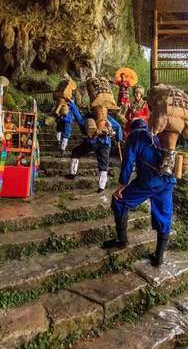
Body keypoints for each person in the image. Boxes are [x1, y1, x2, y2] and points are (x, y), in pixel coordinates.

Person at [102, 118, 175, 266]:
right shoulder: (160, 135)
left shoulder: (135, 136)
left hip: (148, 182)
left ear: (130, 129)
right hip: (167, 182)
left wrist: (123, 184)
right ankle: (159, 256)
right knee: (164, 215)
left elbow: (128, 161)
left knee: (119, 201)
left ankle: (121, 240)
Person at [65, 100, 123, 193]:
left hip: (92, 142)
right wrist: (119, 139)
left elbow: (80, 121)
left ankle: (72, 173)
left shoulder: (89, 116)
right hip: (105, 143)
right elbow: (118, 126)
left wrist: (73, 106)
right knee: (103, 164)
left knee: (76, 152)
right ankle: (101, 187)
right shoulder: (107, 117)